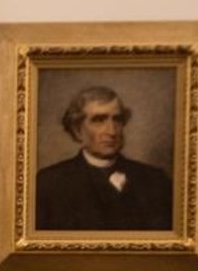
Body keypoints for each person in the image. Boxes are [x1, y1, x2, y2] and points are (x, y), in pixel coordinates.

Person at [35, 85, 173, 231]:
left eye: (117, 120)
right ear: (77, 130)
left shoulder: (156, 180)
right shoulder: (49, 183)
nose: (112, 131)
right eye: (99, 120)